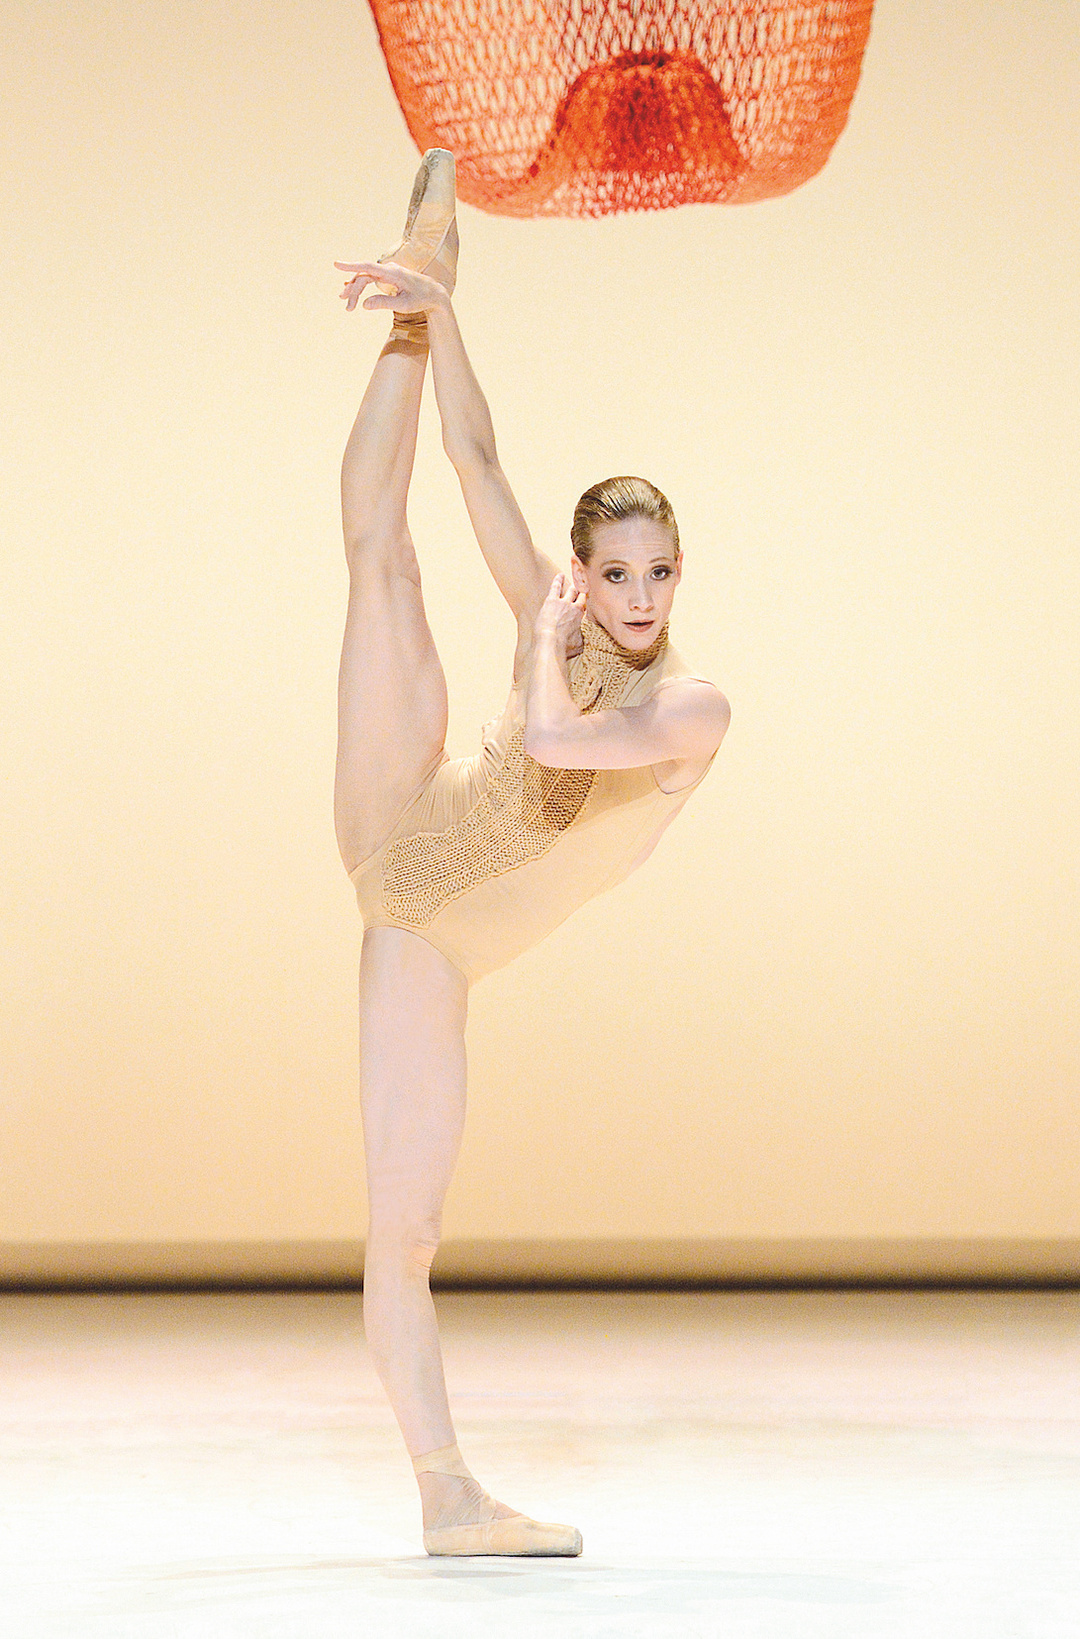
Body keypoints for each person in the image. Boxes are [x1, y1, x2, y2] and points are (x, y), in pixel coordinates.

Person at [333, 150, 730, 1557]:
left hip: (432, 940)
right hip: (408, 825)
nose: (637, 595)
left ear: (681, 577)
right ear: (589, 570)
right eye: (613, 572)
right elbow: (478, 459)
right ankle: (417, 277)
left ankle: (446, 1494)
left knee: (409, 1230)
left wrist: (540, 631)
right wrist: (441, 312)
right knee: (380, 555)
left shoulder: (689, 709)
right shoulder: (556, 622)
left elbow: (560, 741)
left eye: (658, 572)